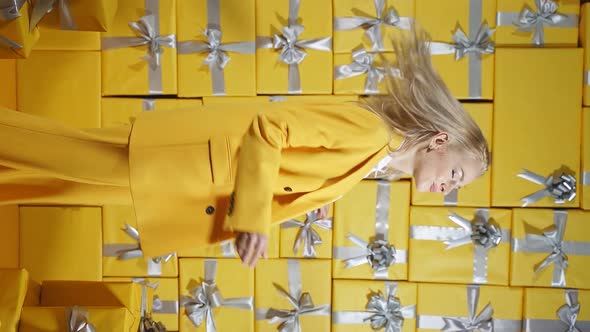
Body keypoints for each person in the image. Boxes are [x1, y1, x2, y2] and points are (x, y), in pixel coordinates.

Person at [0, 27, 489, 268]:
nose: (448, 188)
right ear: (440, 141)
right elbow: (270, 128)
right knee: (47, 153)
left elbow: (287, 161)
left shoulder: (373, 157)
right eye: (456, 176)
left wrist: (307, 201)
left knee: (54, 180)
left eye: (455, 187)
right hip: (181, 161)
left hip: (185, 177)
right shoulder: (369, 133)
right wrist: (253, 217)